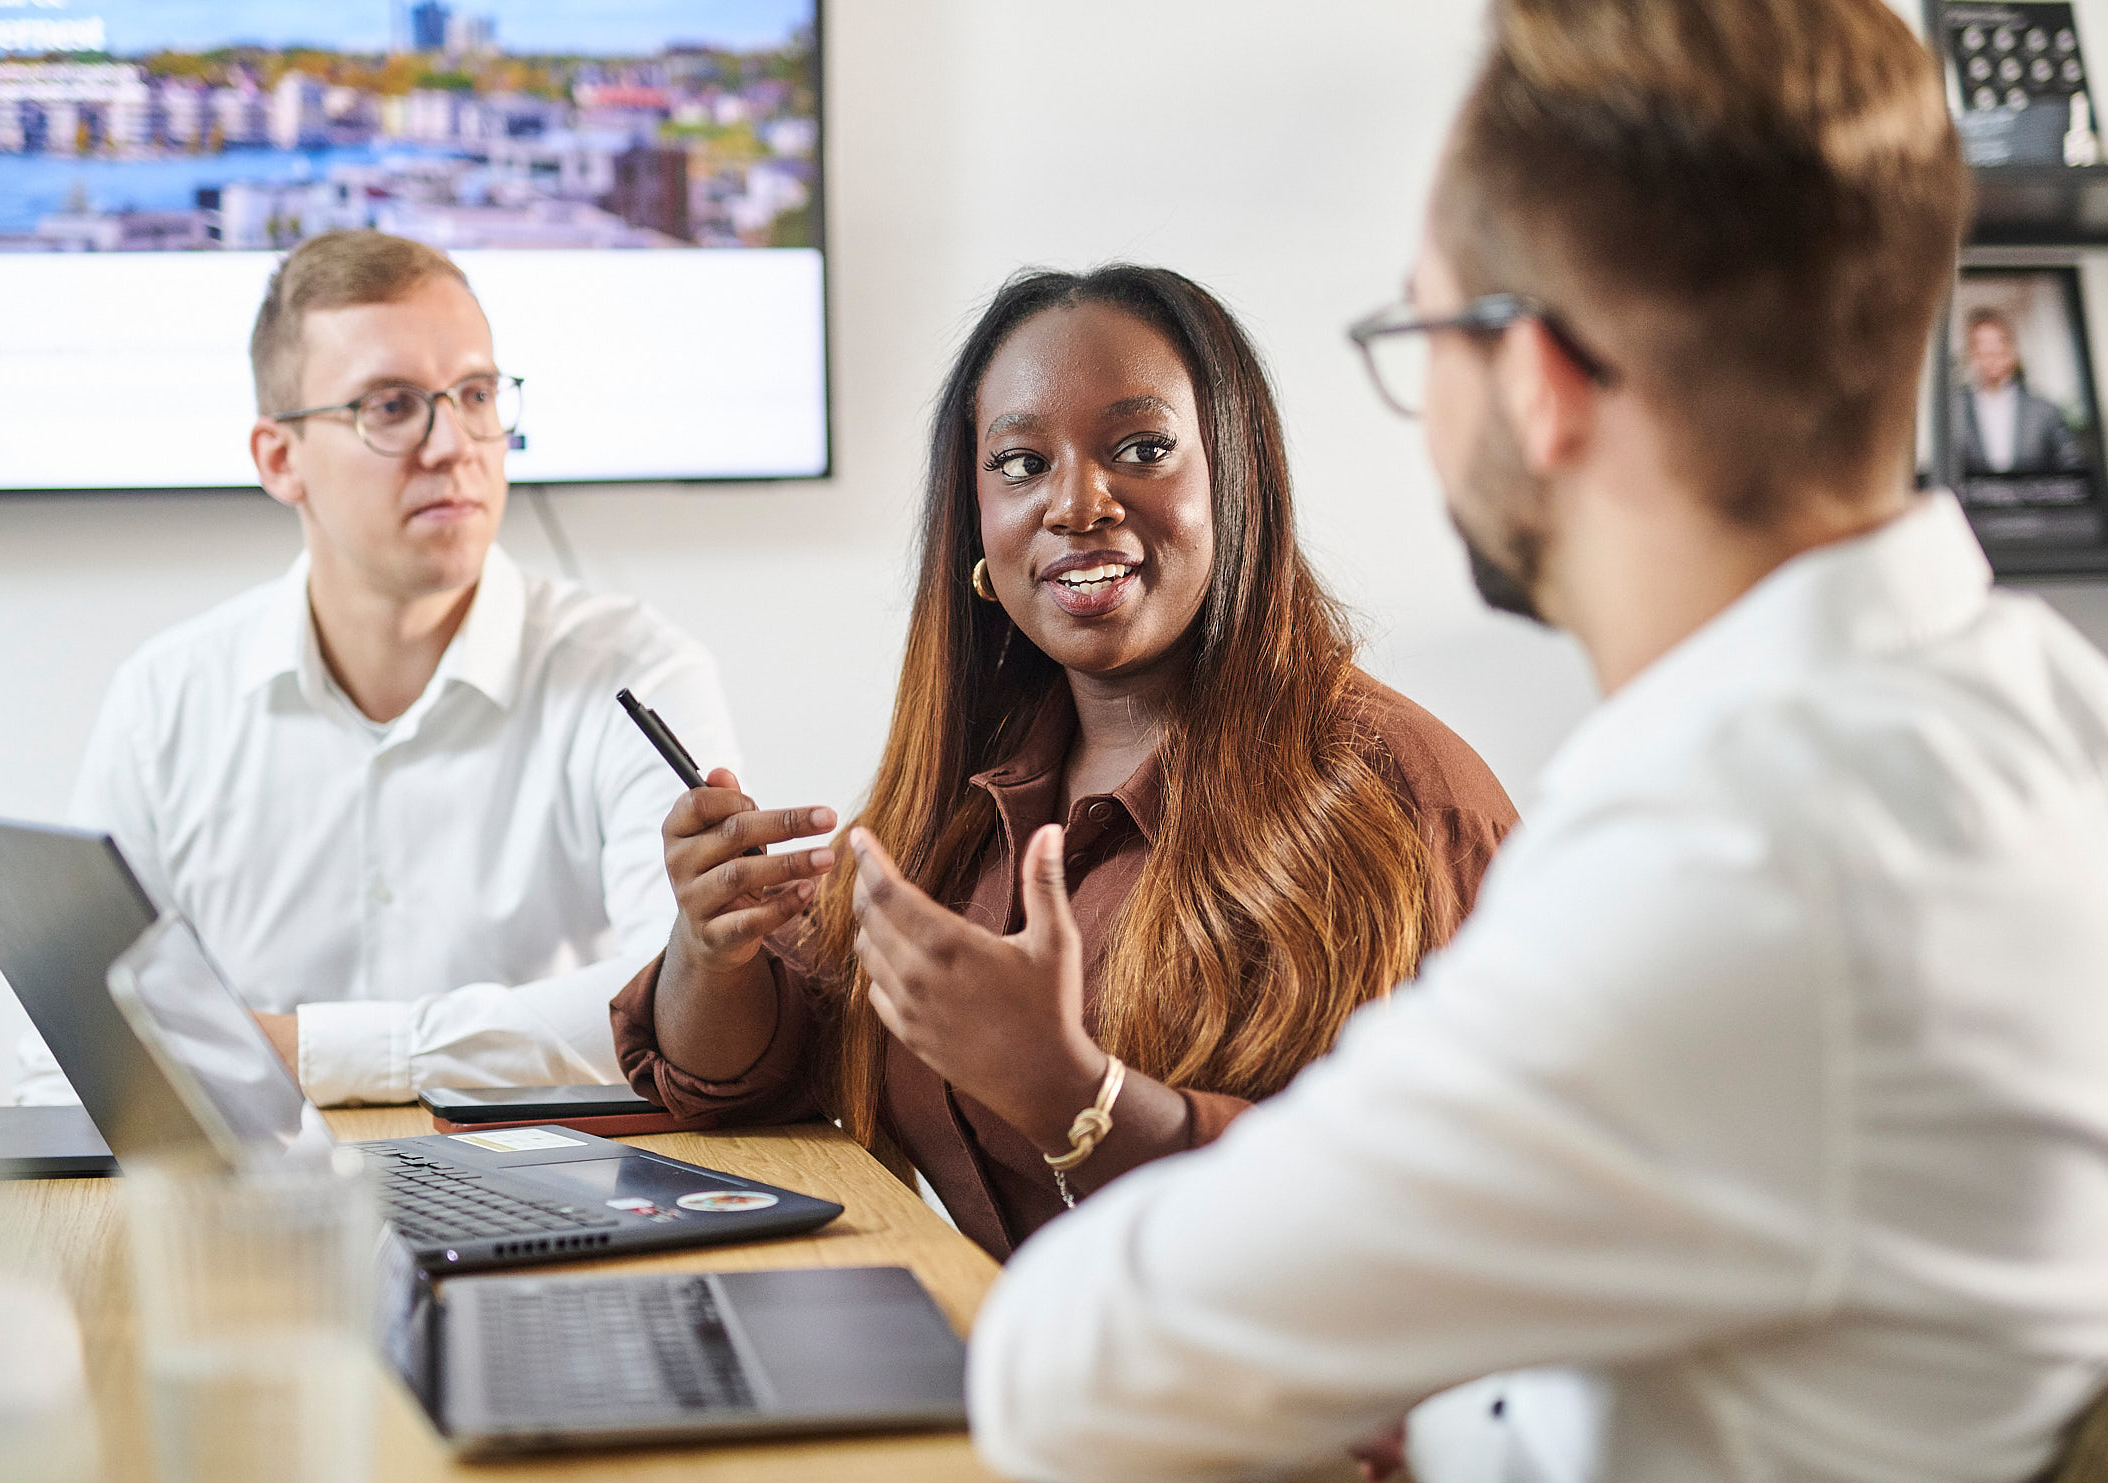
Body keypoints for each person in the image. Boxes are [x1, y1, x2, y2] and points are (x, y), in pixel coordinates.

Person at [965, 0, 2108, 1483]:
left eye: (1424, 333)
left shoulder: (1728, 848)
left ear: (1537, 379)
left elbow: (1067, 1373)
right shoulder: (2073, 722)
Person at [612, 265, 1515, 1259]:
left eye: (1143, 449)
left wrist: (1074, 1096)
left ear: (1237, 476)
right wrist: (716, 946)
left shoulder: (1401, 799)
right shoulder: (963, 789)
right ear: (976, 522)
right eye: (1020, 463)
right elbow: (740, 1070)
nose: (1077, 504)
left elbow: (1435, 1206)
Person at [29, 229, 737, 1107]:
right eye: (392, 406)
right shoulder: (165, 701)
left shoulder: (637, 676)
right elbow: (71, 1052)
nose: (454, 444)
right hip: (264, 1188)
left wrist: (301, 1051)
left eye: (476, 394)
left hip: (557, 1176)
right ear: (280, 459)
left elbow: (688, 997)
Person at [1957, 306, 2084, 474]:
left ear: (2012, 350)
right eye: (1982, 346)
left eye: (1998, 344)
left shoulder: (2045, 411)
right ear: (1972, 353)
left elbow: (2071, 470)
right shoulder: (1955, 412)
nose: (1991, 353)